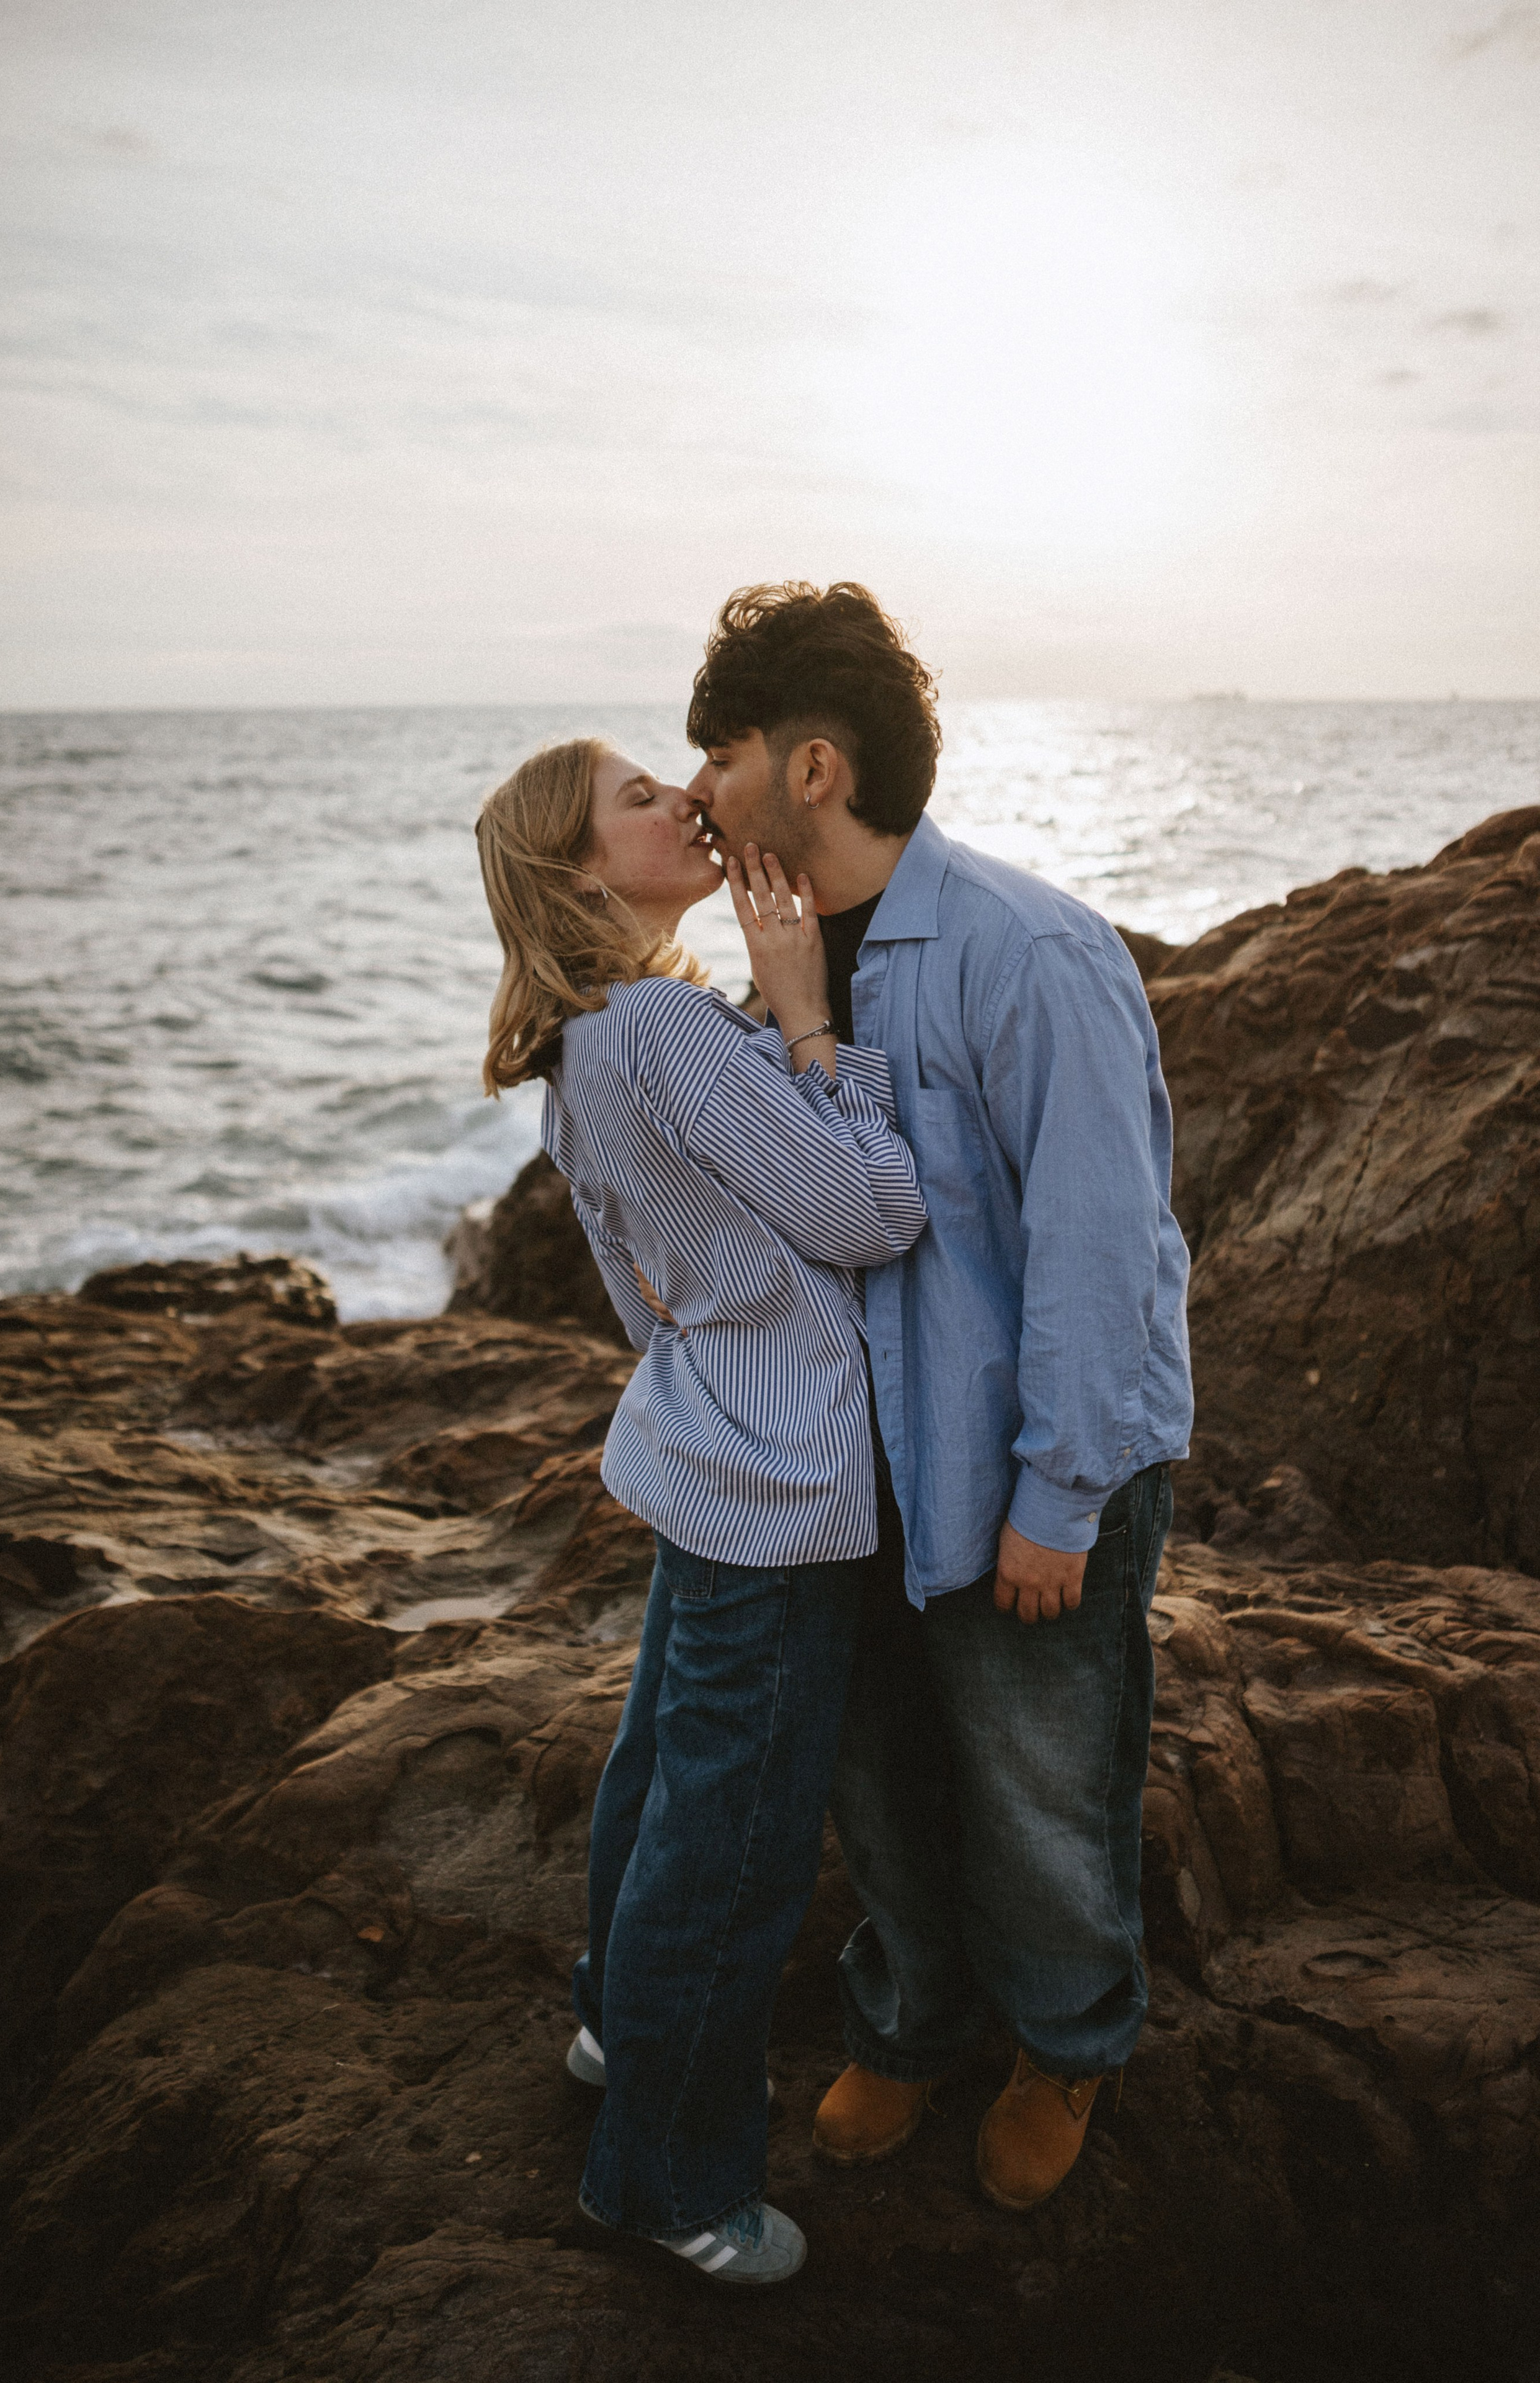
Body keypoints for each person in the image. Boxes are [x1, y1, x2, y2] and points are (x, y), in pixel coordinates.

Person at [686, 583, 1193, 2213]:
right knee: (880, 1774)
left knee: (1042, 1784)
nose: (697, 783)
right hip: (850, 1472)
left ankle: (1068, 2045)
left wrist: (1060, 1497)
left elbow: (1102, 1252)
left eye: (723, 749)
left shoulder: (1030, 954)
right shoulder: (779, 964)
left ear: (814, 768)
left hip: (1013, 1462)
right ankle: (910, 2027)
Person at [475, 738, 926, 2283]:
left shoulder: (583, 1043)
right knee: (727, 1848)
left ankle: (616, 2030)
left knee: (660, 1771)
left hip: (698, 1448)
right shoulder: (665, 1029)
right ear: (579, 866)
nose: (678, 796)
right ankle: (663, 2181)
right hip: (777, 1485)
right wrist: (807, 1025)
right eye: (636, 798)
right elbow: (873, 1215)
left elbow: (641, 1292)